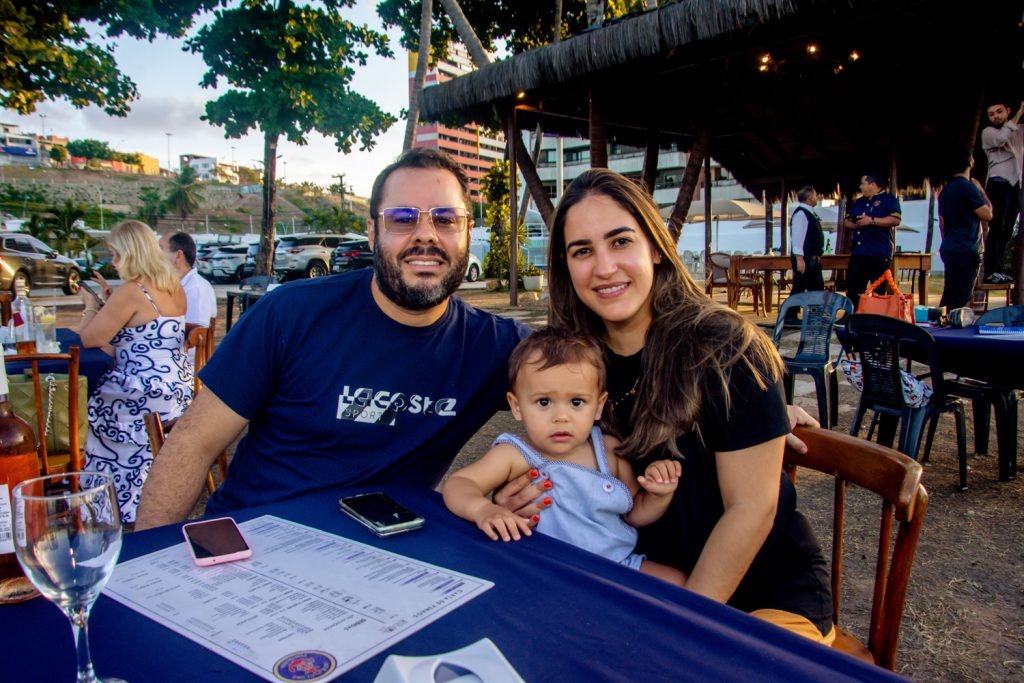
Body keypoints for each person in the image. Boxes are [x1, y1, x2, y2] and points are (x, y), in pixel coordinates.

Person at [496, 169, 833, 644]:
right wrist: (519, 495)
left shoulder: (727, 347)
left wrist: (679, 627)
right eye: (583, 251)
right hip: (638, 582)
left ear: (655, 246)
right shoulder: (572, 365)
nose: (605, 267)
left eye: (620, 242)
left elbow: (752, 508)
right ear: (566, 266)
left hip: (758, 595)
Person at [134, 149, 531, 529]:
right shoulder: (290, 314)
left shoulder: (496, 347)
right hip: (255, 544)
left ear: (467, 233)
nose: (425, 235)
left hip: (382, 557)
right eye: (402, 218)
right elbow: (193, 444)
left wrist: (525, 480)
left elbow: (586, 400)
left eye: (446, 220)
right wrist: (146, 566)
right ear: (372, 232)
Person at [443, 328, 686, 586]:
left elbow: (634, 512)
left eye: (577, 402)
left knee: (679, 583)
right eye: (544, 402)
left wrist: (659, 495)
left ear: (599, 405)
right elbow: (460, 484)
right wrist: (483, 509)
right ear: (516, 406)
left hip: (616, 564)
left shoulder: (609, 451)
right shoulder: (515, 454)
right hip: (546, 569)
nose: (561, 416)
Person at [78, 220, 194, 523]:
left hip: (144, 394)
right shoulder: (174, 286)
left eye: (115, 255)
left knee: (89, 406)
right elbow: (139, 338)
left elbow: (90, 339)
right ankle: (137, 489)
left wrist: (91, 306)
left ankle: (109, 502)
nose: (113, 263)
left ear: (130, 254)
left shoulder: (131, 290)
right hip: (176, 390)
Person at [938, 150, 993, 310]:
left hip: (950, 246)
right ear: (970, 163)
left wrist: (948, 240)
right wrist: (981, 191)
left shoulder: (945, 191)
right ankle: (955, 328)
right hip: (967, 246)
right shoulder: (968, 188)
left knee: (949, 293)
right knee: (962, 297)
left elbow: (942, 222)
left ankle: (941, 326)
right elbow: (987, 214)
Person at [980, 100, 1024, 284]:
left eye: (999, 111)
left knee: (1007, 229)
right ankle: (991, 270)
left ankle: (999, 267)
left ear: (1007, 110)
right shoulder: (988, 133)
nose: (996, 116)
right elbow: (1001, 139)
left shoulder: (1018, 129)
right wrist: (1018, 114)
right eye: (991, 114)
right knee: (997, 226)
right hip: (998, 182)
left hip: (1016, 184)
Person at [843, 172, 901, 309]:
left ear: (873, 184)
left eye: (863, 183)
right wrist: (854, 224)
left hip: (878, 253)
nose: (860, 187)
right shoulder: (859, 202)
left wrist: (872, 221)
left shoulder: (888, 200)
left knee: (878, 289)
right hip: (858, 252)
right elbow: (847, 221)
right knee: (853, 288)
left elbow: (895, 220)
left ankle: (876, 317)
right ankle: (853, 316)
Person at [159, 231, 217, 328]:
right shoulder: (174, 285)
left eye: (160, 250)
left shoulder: (197, 288)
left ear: (178, 255)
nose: (154, 256)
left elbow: (197, 335)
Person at [789, 186, 825, 295]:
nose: (817, 198)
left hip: (812, 258)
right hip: (806, 257)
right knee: (799, 287)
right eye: (815, 195)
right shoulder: (801, 214)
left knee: (816, 288)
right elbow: (797, 236)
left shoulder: (809, 213)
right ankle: (790, 312)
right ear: (809, 197)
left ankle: (814, 311)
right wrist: (799, 259)